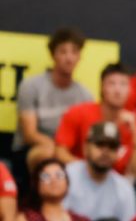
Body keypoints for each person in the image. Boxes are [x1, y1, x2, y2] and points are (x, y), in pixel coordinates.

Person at [13, 27, 92, 173]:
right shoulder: (31, 86)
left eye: (74, 51)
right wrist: (60, 150)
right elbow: (30, 134)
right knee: (48, 153)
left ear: (80, 56)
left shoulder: (85, 95)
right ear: (53, 55)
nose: (69, 58)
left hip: (66, 151)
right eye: (63, 51)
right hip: (31, 150)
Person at [56, 62, 136, 179]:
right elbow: (59, 153)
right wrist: (91, 172)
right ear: (102, 87)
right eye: (111, 83)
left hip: (113, 186)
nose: (117, 90)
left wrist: (135, 136)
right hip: (77, 179)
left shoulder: (135, 129)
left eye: (123, 84)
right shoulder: (78, 112)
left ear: (130, 90)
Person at [64, 121, 136, 221]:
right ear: (85, 148)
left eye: (112, 147)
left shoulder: (124, 188)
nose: (106, 152)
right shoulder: (67, 176)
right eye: (100, 144)